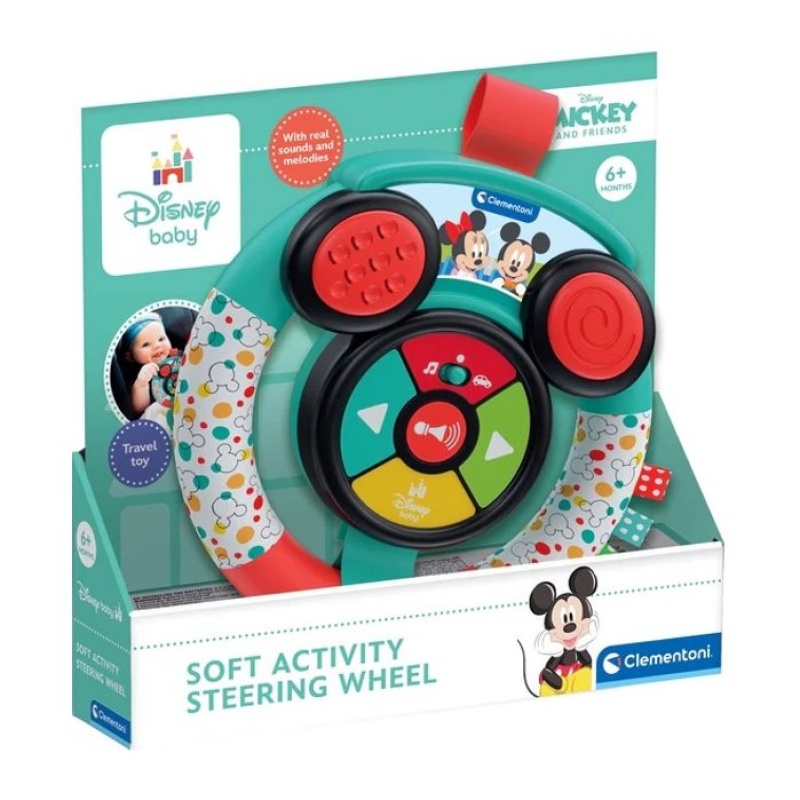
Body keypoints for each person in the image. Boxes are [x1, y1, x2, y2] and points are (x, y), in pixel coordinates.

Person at [120, 313, 175, 419]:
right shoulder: (136, 375)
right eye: (146, 344)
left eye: (161, 339)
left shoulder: (176, 358)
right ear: (129, 356)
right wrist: (142, 384)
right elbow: (140, 409)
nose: (157, 346)